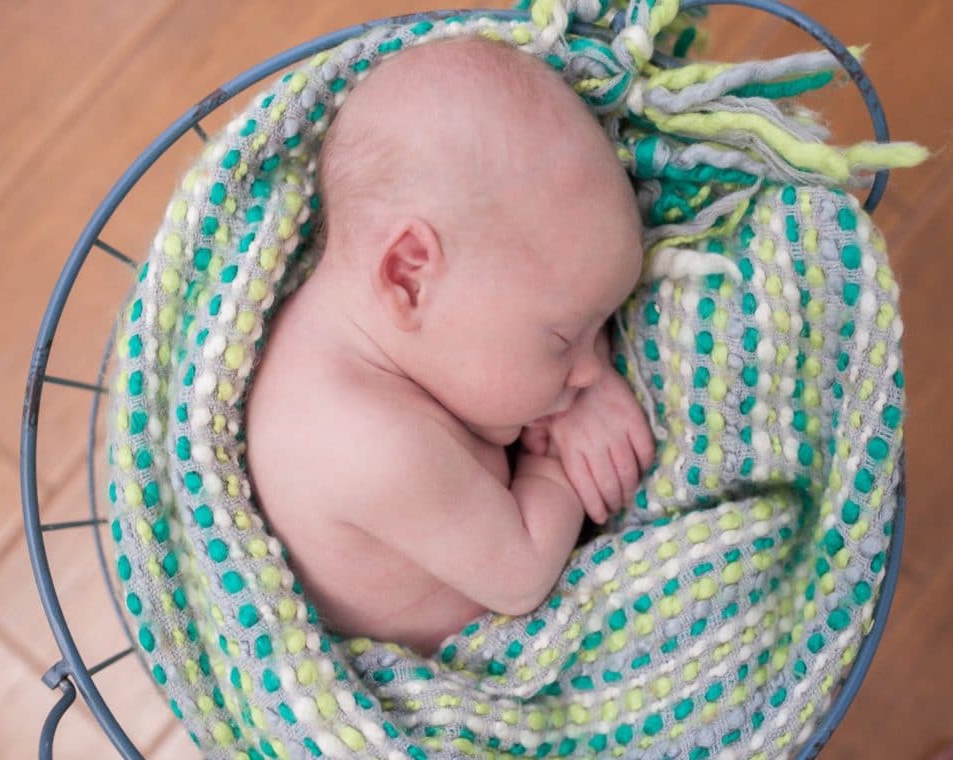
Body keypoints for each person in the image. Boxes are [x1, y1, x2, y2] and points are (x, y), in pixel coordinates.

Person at [245, 36, 655, 656]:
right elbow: (519, 576)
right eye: (566, 339)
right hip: (444, 656)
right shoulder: (372, 448)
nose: (590, 371)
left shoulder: (393, 338)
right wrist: (551, 469)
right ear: (409, 276)